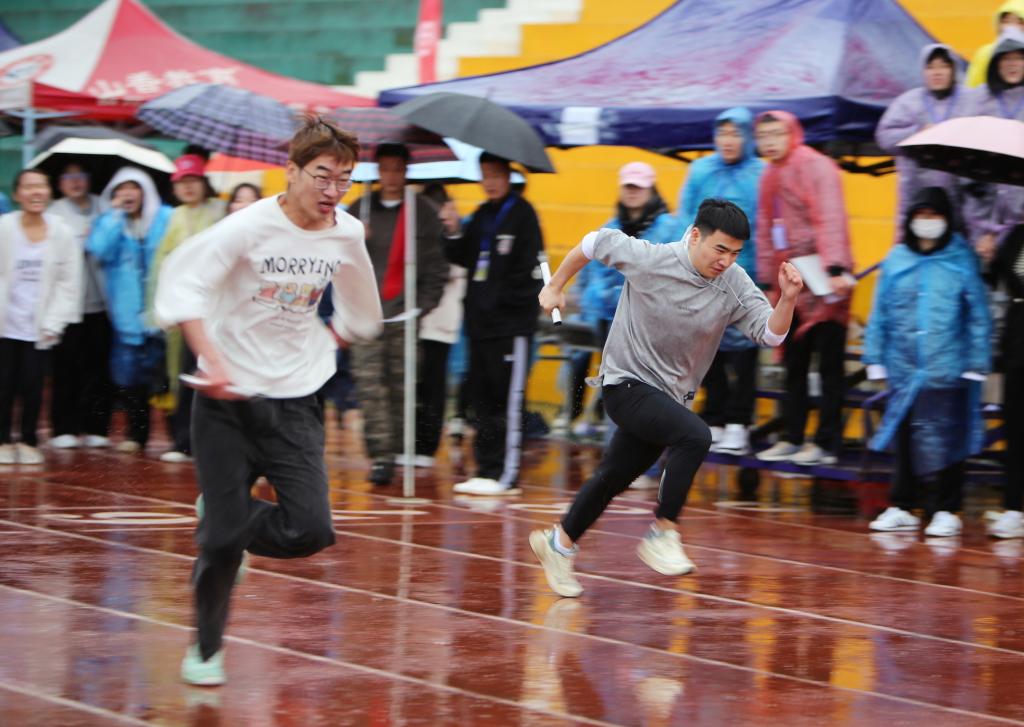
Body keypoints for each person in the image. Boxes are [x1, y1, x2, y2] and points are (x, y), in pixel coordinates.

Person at [154, 116, 382, 686]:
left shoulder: (346, 233)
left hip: (295, 400)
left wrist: (332, 338)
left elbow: (363, 310)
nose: (333, 190)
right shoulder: (247, 226)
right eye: (322, 176)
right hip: (226, 401)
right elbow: (184, 285)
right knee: (221, 544)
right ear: (292, 171)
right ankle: (206, 649)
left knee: (312, 531)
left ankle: (226, 519)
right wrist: (213, 359)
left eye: (345, 180)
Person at [529, 199, 802, 597]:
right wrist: (555, 286)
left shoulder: (734, 282)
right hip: (625, 383)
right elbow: (593, 242)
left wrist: (788, 299)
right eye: (720, 249)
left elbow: (771, 334)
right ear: (695, 236)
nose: (726, 261)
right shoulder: (652, 258)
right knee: (696, 436)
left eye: (735, 253)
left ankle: (558, 544)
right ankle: (663, 532)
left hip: (668, 398)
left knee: (614, 476)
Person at [864, 188, 991, 538]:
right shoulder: (897, 259)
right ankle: (903, 504)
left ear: (947, 219)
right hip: (903, 368)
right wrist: (875, 358)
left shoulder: (961, 259)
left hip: (947, 367)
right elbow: (880, 312)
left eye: (934, 215)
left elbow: (978, 314)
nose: (927, 222)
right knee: (906, 437)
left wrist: (976, 361)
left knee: (948, 438)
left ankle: (947, 509)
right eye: (921, 215)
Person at [752, 111, 854, 466]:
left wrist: (835, 266)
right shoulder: (768, 175)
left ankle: (827, 442)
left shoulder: (817, 166)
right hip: (791, 282)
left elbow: (830, 216)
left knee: (829, 367)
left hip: (825, 280)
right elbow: (765, 229)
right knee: (793, 365)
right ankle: (792, 436)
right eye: (763, 135)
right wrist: (768, 281)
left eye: (777, 133)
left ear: (792, 133)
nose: (770, 142)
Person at [440, 152, 545, 496]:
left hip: (510, 329)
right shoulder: (482, 215)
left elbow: (532, 272)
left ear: (508, 176)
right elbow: (463, 256)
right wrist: (452, 230)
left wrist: (503, 303)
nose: (490, 182)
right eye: (485, 175)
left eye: (496, 175)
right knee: (482, 401)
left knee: (507, 402)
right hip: (480, 327)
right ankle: (485, 469)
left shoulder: (523, 215)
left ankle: (506, 474)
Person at [348, 143, 448, 484]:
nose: (391, 176)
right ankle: (381, 456)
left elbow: (436, 265)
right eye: (385, 169)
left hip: (404, 314)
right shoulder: (358, 210)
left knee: (401, 386)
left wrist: (422, 306)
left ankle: (399, 448)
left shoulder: (422, 212)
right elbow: (336, 256)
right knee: (369, 385)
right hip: (366, 312)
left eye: (397, 169)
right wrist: (355, 240)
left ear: (406, 172)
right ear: (377, 171)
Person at [582, 161, 677, 485]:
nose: (633, 193)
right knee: (617, 394)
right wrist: (607, 296)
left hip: (654, 326)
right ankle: (620, 464)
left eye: (639, 187)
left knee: (651, 394)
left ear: (651, 189)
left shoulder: (668, 228)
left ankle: (648, 466)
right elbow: (595, 275)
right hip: (614, 323)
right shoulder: (610, 228)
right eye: (628, 187)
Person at [679, 108, 766, 454]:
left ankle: (739, 422)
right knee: (705, 346)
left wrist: (764, 274)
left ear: (747, 137)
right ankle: (714, 415)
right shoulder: (701, 170)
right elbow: (687, 219)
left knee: (745, 354)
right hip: (705, 273)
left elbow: (764, 225)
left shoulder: (760, 173)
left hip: (745, 273)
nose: (728, 141)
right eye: (722, 133)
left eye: (735, 133)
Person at [86, 167, 173, 454]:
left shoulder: (165, 217)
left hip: (161, 313)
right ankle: (136, 435)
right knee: (130, 378)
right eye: (121, 189)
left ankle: (175, 439)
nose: (128, 194)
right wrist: (114, 215)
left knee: (165, 379)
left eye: (134, 188)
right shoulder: (110, 221)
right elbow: (98, 249)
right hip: (126, 317)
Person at [148, 153, 226, 463]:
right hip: (181, 310)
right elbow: (159, 264)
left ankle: (211, 441)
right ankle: (182, 439)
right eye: (182, 182)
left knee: (210, 369)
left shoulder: (220, 211)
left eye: (194, 180)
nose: (188, 187)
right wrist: (158, 308)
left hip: (213, 308)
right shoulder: (171, 217)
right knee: (180, 372)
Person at [0, 169, 81, 465]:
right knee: (4, 383)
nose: (36, 192)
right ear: (17, 194)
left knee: (33, 385)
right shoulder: (4, 228)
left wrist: (55, 321)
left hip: (39, 324)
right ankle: (2, 440)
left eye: (41, 186)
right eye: (29, 187)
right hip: (5, 323)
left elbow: (69, 281)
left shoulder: (62, 232)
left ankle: (28, 439)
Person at [47, 162, 114, 449]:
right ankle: (64, 427)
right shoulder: (53, 212)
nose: (75, 181)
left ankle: (96, 427)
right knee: (66, 367)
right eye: (69, 176)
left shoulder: (105, 206)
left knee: (98, 367)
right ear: (60, 182)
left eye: (80, 175)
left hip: (101, 303)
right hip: (67, 306)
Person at [876, 44, 967, 236]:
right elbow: (884, 136)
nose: (937, 72)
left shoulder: (970, 100)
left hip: (961, 200)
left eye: (943, 66)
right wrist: (917, 132)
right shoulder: (908, 102)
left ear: (953, 69)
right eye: (930, 67)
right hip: (916, 198)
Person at [416, 183, 467, 463]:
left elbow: (456, 270)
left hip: (442, 319)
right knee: (414, 383)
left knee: (433, 383)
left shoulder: (452, 232)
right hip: (417, 318)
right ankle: (411, 442)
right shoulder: (419, 231)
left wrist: (451, 231)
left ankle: (427, 445)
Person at [965, 28, 1024, 264]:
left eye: (1018, 58)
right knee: (988, 280)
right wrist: (984, 232)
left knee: (1018, 279)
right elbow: (967, 170)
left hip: (1021, 223)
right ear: (996, 64)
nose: (1012, 64)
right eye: (1006, 58)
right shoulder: (979, 101)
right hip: (985, 223)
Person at [986, 220, 1024, 538]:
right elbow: (996, 279)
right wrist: (987, 256)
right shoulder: (1017, 236)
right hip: (1018, 345)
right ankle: (1014, 508)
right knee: (1016, 430)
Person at [965, 0, 1024, 88]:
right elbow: (972, 88)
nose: (1012, 27)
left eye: (1019, 22)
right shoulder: (985, 54)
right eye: (1006, 21)